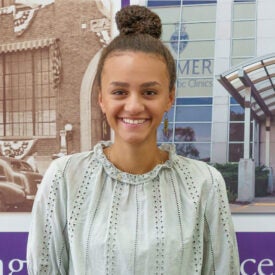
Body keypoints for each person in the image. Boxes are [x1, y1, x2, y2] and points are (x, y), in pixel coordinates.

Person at [27, 5, 240, 275]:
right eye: (119, 91)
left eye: (150, 92)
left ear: (170, 98)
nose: (134, 106)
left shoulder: (203, 183)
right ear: (101, 98)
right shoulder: (65, 178)